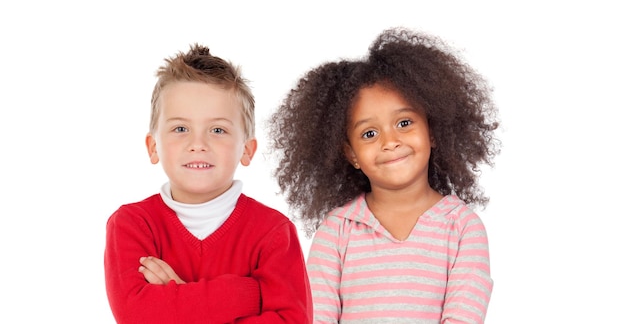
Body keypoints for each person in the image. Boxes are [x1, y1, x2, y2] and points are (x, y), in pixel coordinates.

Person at [267, 28, 500, 323]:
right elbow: (317, 316)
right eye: (369, 133)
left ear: (433, 131)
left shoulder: (463, 228)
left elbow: (463, 317)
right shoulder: (337, 231)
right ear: (351, 153)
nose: (389, 141)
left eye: (404, 122)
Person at [104, 44, 313, 323]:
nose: (198, 144)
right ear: (153, 147)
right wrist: (247, 293)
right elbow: (137, 314)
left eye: (218, 130)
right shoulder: (131, 225)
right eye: (180, 129)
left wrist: (176, 299)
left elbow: (292, 321)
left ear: (247, 150)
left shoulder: (274, 232)